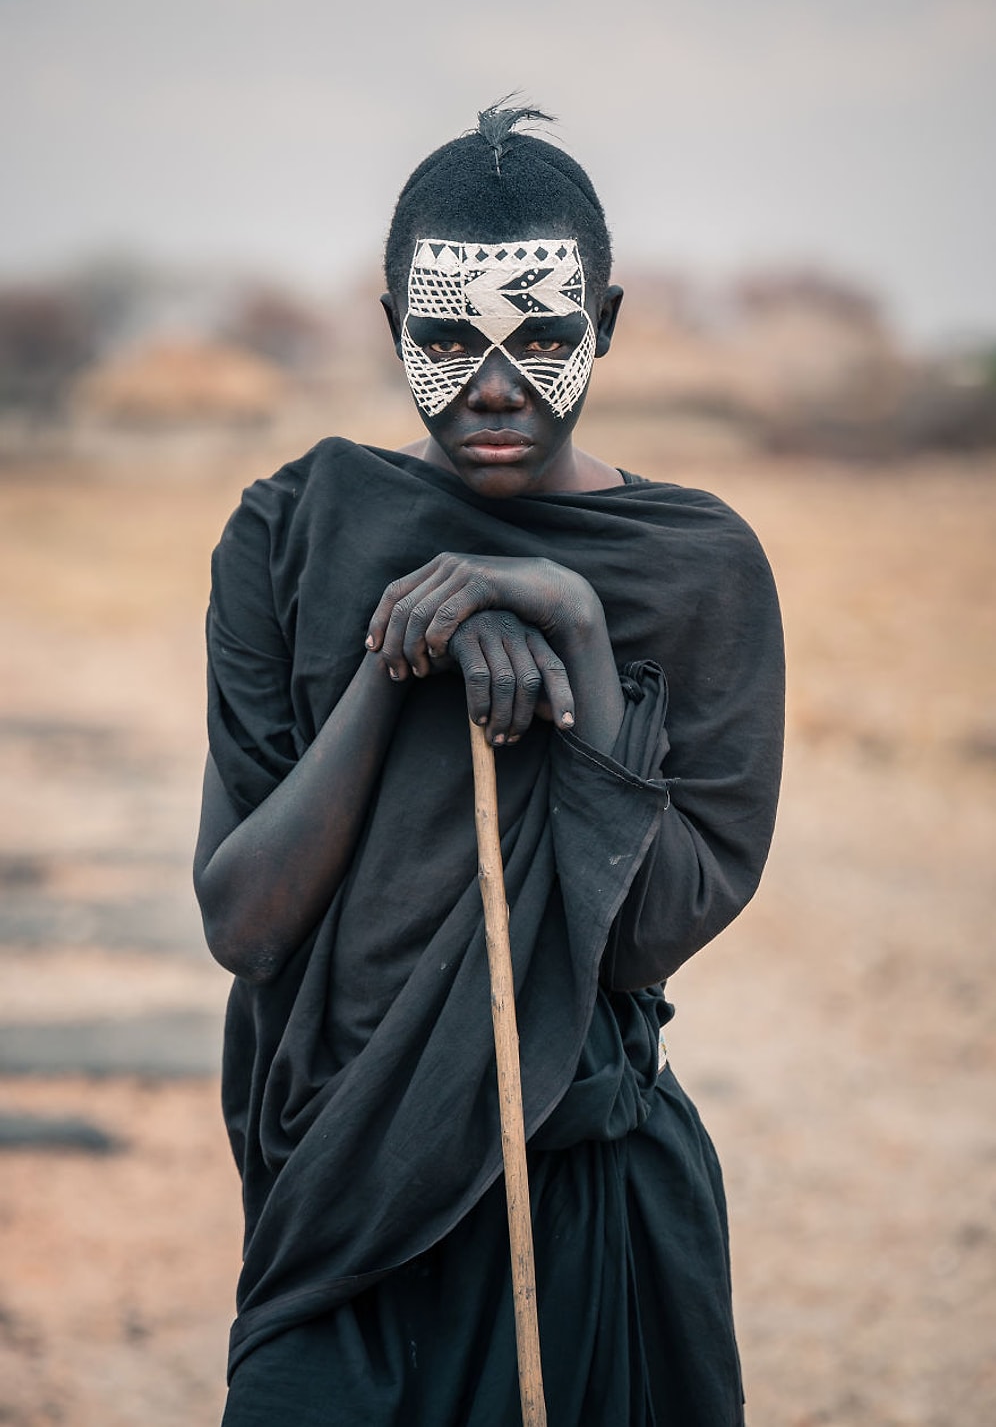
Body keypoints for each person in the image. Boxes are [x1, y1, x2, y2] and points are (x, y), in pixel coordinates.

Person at [195, 103, 784, 1427]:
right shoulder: (293, 534)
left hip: (585, 1195)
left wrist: (571, 626)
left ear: (611, 325)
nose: (498, 386)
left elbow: (641, 940)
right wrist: (397, 653)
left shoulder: (694, 570)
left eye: (547, 340)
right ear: (393, 317)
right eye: (451, 340)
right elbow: (244, 919)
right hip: (341, 1196)